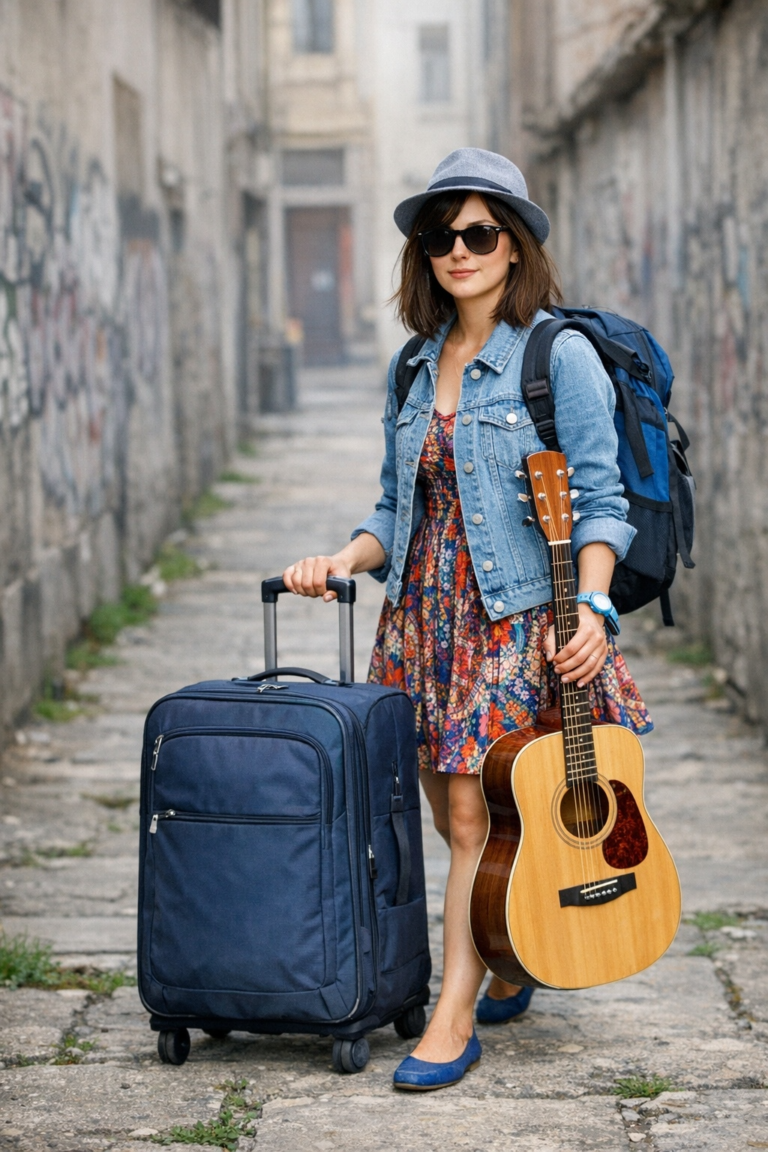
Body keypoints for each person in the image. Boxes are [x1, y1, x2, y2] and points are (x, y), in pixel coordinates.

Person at [283, 148, 652, 1091]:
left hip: (515, 616)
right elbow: (389, 511)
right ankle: (504, 936)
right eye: (441, 235)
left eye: (479, 232)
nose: (459, 249)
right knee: (465, 823)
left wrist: (598, 608)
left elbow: (604, 500)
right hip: (421, 620)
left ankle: (453, 1015)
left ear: (514, 243)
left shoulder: (554, 356)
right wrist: (341, 559)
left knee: (469, 806)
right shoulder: (412, 363)